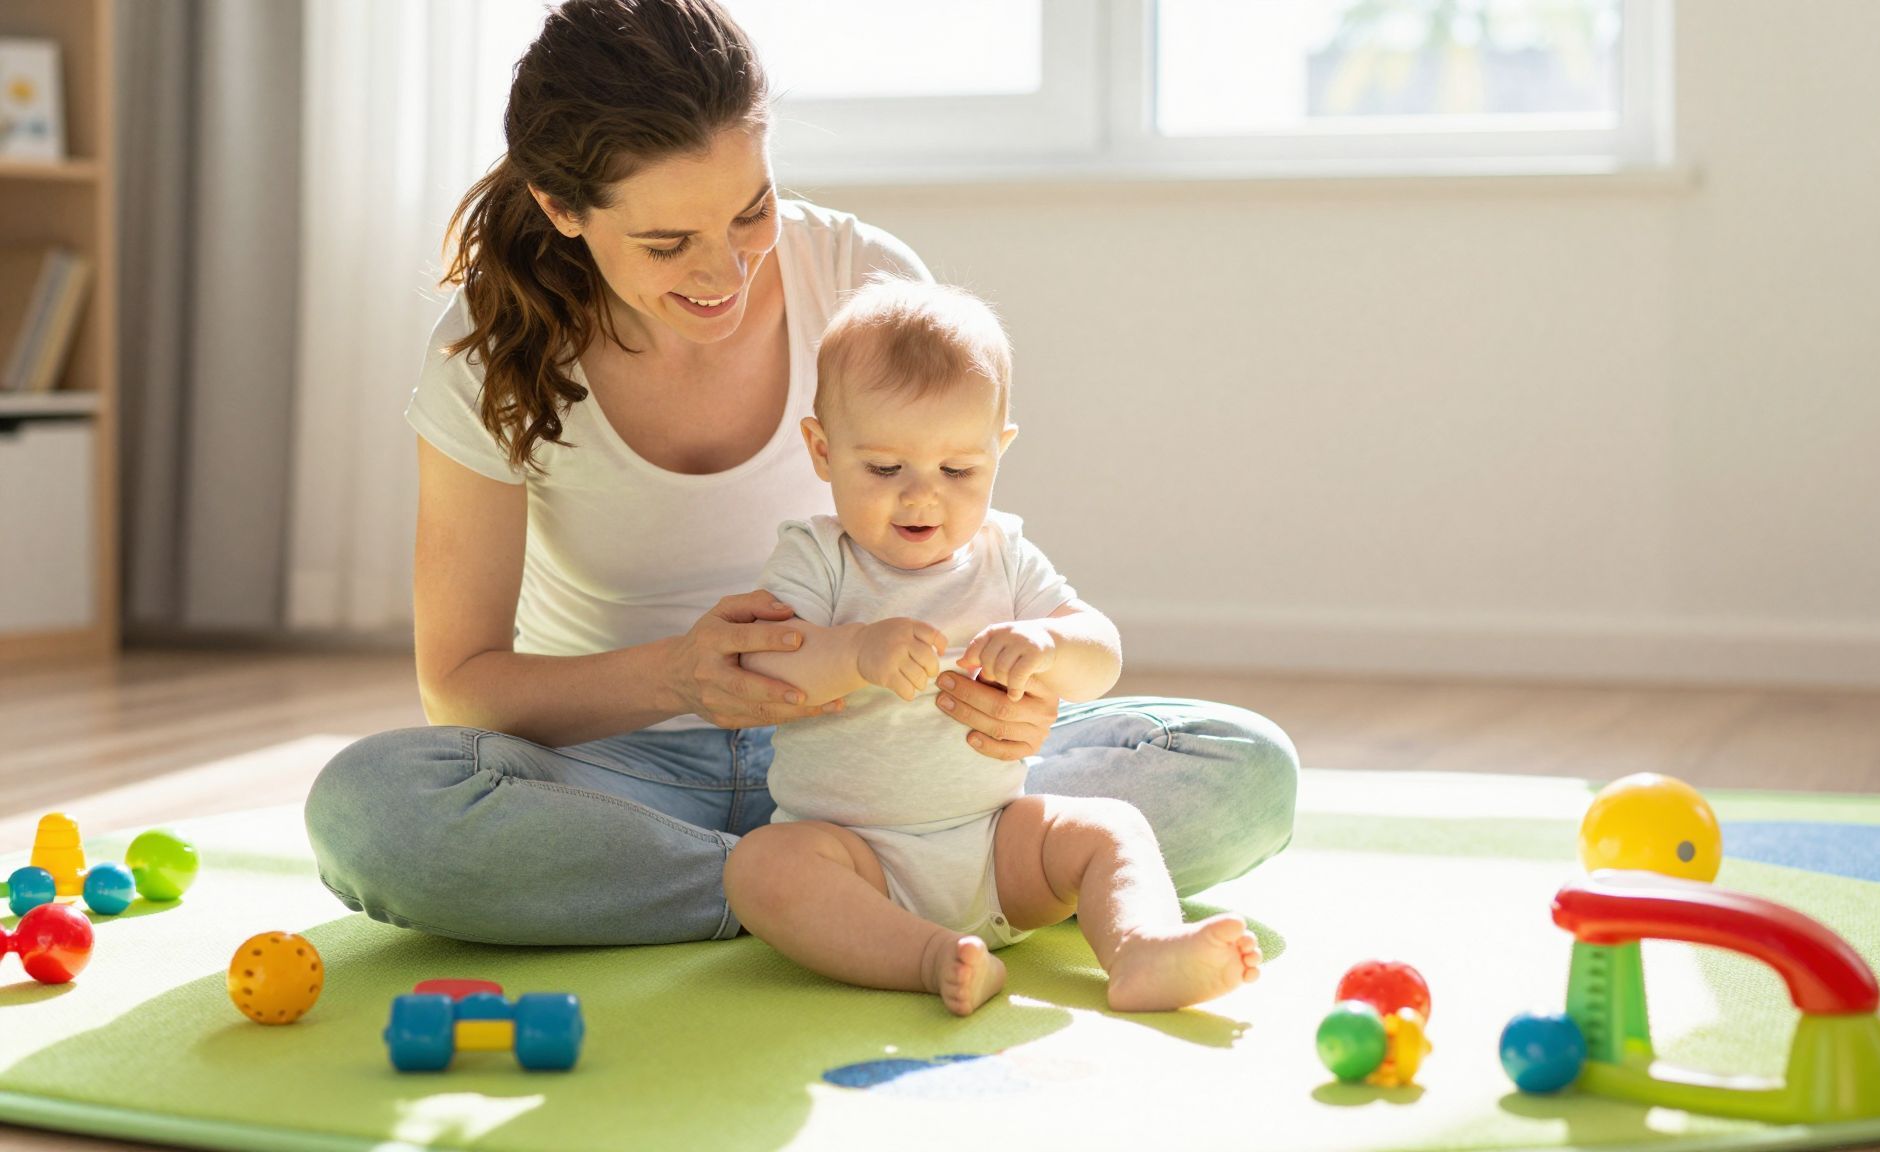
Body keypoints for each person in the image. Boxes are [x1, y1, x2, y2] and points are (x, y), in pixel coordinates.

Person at [303, 0, 1298, 947]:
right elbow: (464, 690)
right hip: (630, 777)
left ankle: (804, 888)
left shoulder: (860, 281)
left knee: (1242, 772)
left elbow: (955, 528)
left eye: (751, 210)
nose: (726, 272)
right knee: (373, 812)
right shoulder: (488, 355)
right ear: (561, 207)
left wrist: (1020, 694)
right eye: (666, 242)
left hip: (894, 757)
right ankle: (805, 887)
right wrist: (677, 676)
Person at [726, 278, 1262, 1014]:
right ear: (822, 450)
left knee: (1111, 828)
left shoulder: (1002, 552)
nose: (922, 497)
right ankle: (927, 957)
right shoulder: (817, 558)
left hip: (993, 844)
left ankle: (1140, 948)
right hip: (854, 856)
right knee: (762, 868)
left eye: (958, 470)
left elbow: (1100, 655)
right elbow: (765, 662)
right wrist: (853, 653)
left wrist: (1049, 641)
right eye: (885, 469)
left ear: (998, 453)